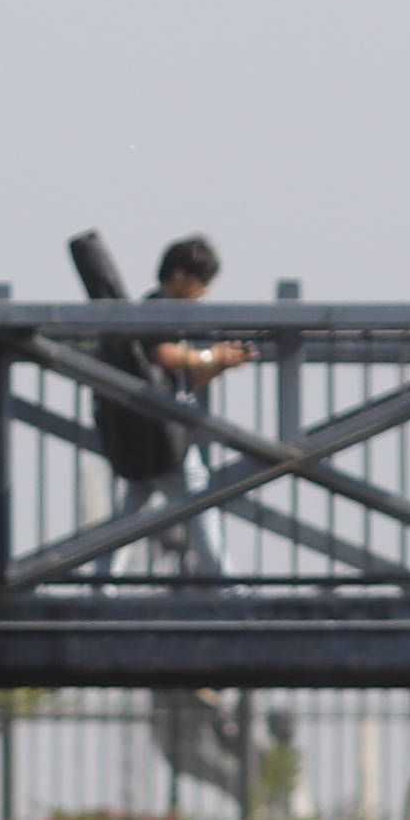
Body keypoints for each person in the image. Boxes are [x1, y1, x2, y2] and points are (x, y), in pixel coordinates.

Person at [109, 235, 254, 578]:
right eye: (200, 281)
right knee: (200, 507)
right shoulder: (156, 309)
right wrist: (210, 356)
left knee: (125, 523)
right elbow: (165, 355)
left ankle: (101, 588)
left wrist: (219, 362)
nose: (204, 291)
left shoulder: (163, 312)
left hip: (151, 434)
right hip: (163, 434)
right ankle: (231, 590)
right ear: (179, 275)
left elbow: (189, 375)